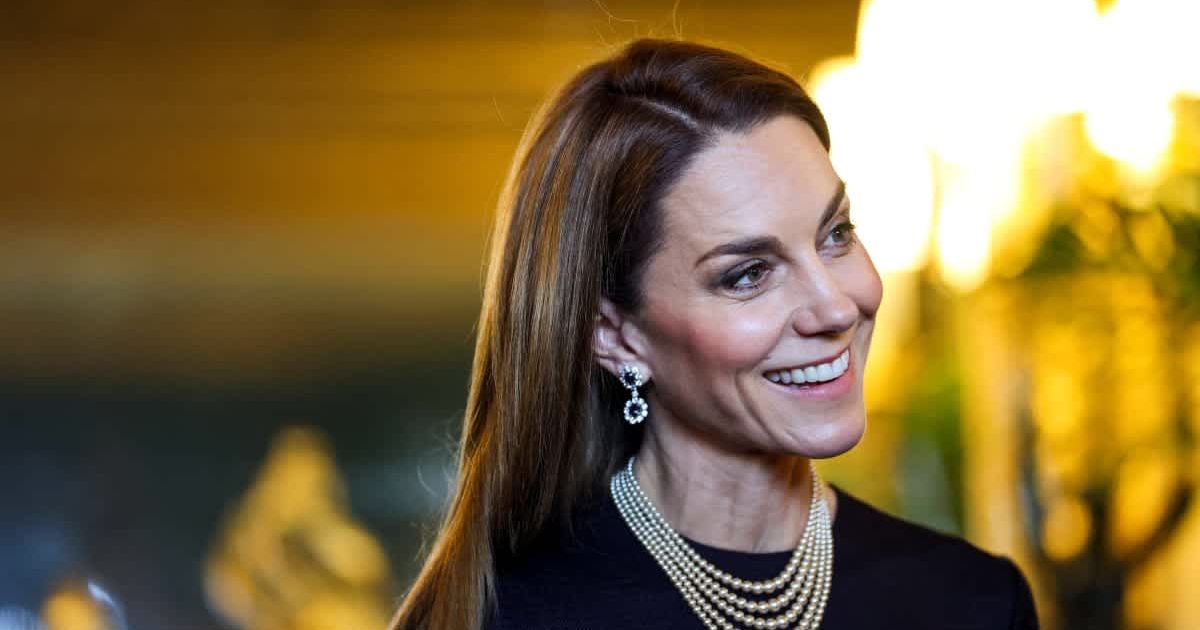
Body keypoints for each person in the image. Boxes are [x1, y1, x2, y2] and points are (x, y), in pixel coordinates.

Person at [390, 38, 1039, 630]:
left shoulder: (973, 601)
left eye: (836, 234)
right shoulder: (502, 616)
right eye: (749, 274)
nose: (836, 306)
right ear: (615, 336)